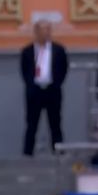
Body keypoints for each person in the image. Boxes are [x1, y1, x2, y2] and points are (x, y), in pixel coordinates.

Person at [20, 20, 68, 156]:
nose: (46, 32)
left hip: (52, 91)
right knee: (32, 124)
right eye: (43, 29)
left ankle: (59, 153)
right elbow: (24, 71)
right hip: (34, 91)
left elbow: (64, 69)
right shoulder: (27, 51)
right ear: (36, 32)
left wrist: (56, 83)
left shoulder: (59, 50)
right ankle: (27, 154)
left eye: (48, 29)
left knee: (55, 124)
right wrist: (31, 84)